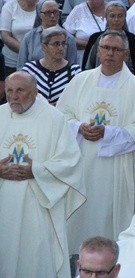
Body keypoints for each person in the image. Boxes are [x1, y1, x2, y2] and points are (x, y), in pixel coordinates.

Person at [56, 30, 135, 254]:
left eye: (116, 49)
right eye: (106, 48)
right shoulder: (81, 80)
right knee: (80, 221)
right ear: (98, 50)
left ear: (125, 54)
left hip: (117, 168)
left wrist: (107, 132)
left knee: (109, 220)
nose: (110, 53)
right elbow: (62, 115)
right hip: (83, 164)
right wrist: (79, 127)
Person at [0, 71, 85, 278]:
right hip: (3, 203)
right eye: (9, 91)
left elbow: (70, 162)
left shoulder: (54, 119)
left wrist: (36, 170)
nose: (13, 97)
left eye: (20, 91)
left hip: (38, 203)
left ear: (35, 92)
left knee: (35, 257)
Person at [21, 26, 80, 105]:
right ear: (44, 47)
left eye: (63, 43)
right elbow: (22, 96)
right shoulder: (29, 69)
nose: (61, 48)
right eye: (56, 44)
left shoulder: (74, 71)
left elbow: (78, 99)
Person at [81, 1, 135, 74]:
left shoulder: (133, 40)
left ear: (125, 17)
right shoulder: (95, 38)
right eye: (112, 16)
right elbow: (87, 65)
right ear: (106, 17)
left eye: (120, 16)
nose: (116, 19)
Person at [0, 0, 40, 75]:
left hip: (39, 63)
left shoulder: (43, 7)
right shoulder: (9, 7)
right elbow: (5, 36)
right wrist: (26, 52)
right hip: (12, 63)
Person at [17, 0, 78, 69]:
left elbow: (72, 66)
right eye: (48, 12)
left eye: (55, 12)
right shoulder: (29, 37)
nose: (52, 16)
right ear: (40, 15)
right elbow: (21, 66)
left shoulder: (68, 38)